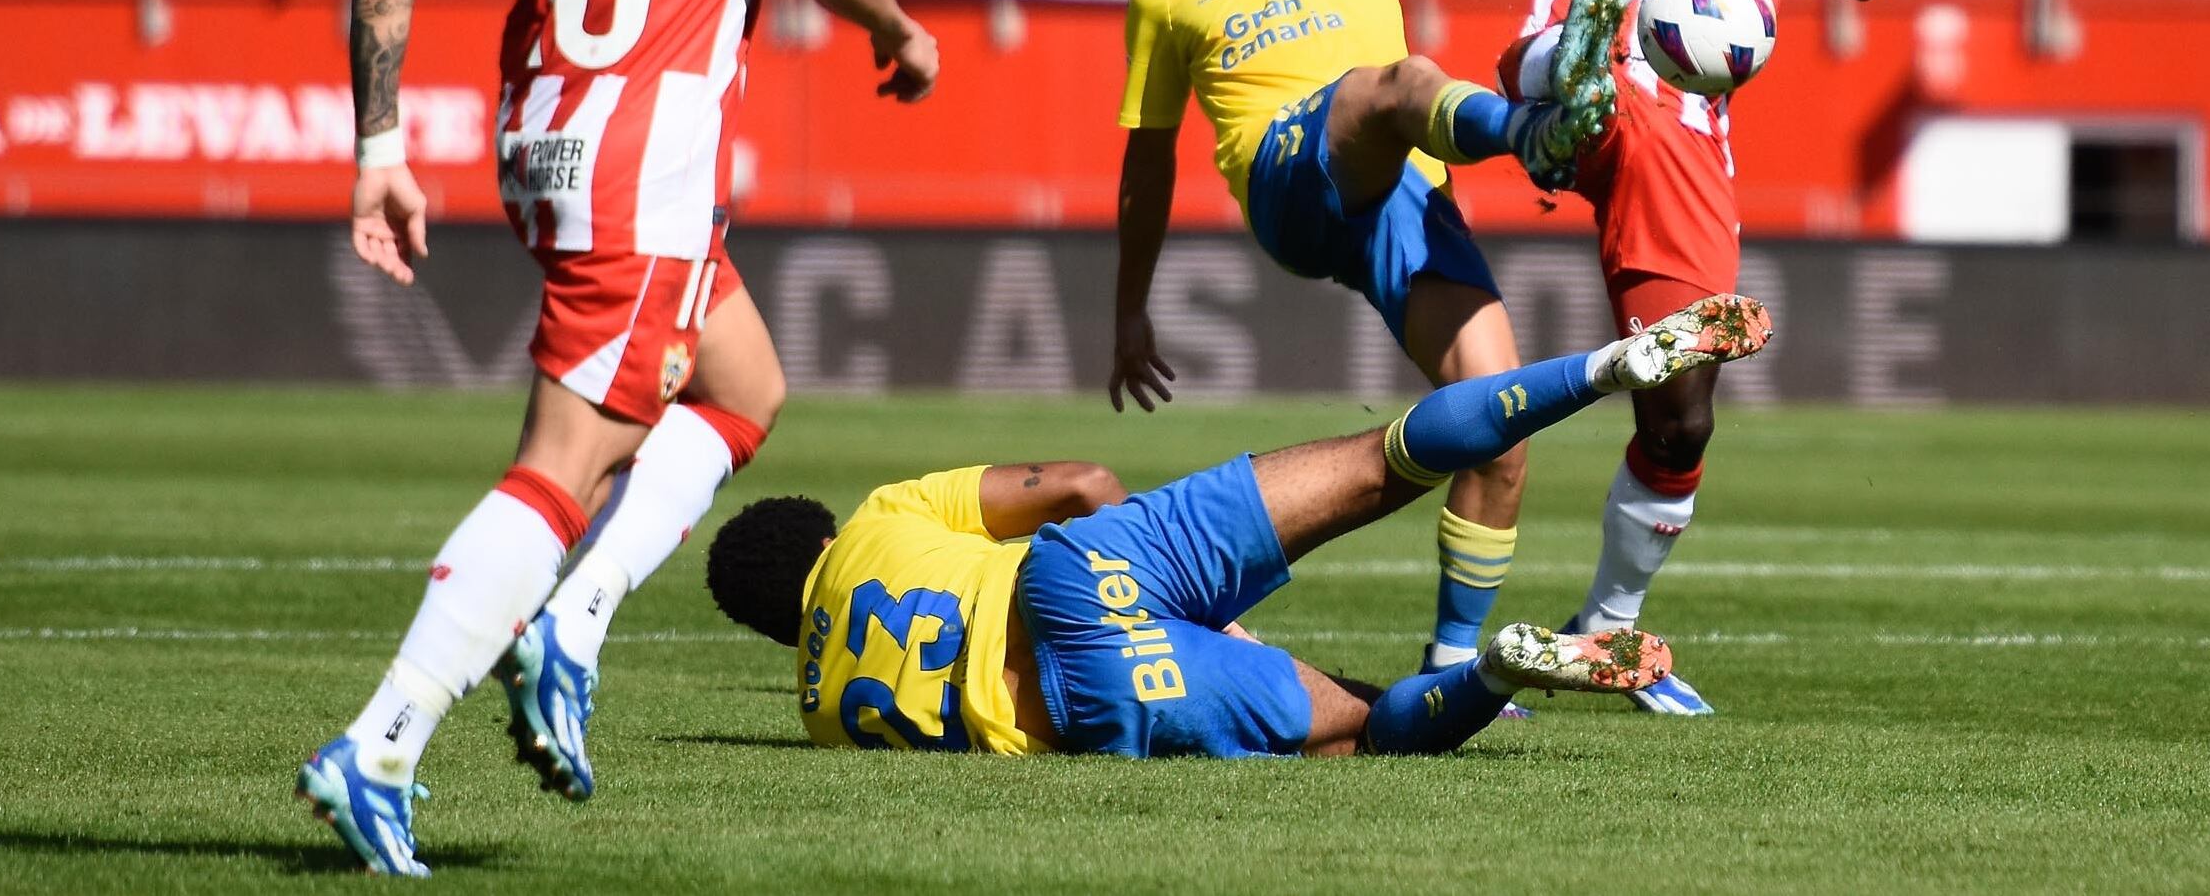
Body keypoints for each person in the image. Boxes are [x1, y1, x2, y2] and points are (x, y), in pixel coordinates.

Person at [298, 0, 942, 878]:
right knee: (559, 467)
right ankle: (384, 740)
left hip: (538, 145)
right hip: (641, 165)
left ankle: (574, 622)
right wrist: (897, 31)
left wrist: (376, 147)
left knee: (744, 385)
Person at [1266, 0, 1886, 715]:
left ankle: (1606, 627)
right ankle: (1576, 69)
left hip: (1679, 143)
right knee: (1617, 3)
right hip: (1571, 78)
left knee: (1682, 414)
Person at [1109, 0, 1757, 673]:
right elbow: (1147, 159)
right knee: (1396, 82)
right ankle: (1538, 135)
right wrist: (1128, 308)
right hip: (1289, 183)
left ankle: (1450, 668)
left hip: (1401, 201)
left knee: (1496, 425)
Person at [706, 297, 1775, 757]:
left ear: (774, 627)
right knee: (1389, 454)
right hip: (1085, 568)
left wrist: (1173, 634)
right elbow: (1081, 481)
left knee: (1360, 731)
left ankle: (1498, 672)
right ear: (820, 532)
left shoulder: (820, 716)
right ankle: (1601, 369)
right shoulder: (884, 516)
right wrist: (1172, 594)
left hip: (1086, 691)